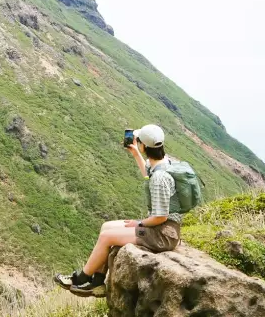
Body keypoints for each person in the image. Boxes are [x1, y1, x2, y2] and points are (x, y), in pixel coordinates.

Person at [53, 124, 183, 298]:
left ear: (144, 146)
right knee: (106, 227)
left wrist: (139, 223)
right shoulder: (164, 163)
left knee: (107, 237)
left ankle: (81, 278)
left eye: (138, 141)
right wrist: (135, 153)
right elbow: (148, 172)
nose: (136, 142)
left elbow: (160, 217)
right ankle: (97, 282)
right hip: (161, 227)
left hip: (163, 234)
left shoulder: (160, 178)